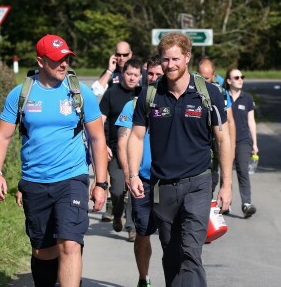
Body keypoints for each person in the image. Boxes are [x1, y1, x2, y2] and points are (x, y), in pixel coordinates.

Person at [0, 34, 108, 287]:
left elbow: (98, 138)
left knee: (70, 244)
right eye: (56, 60)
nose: (63, 64)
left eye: (66, 58)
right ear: (40, 61)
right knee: (43, 251)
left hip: (72, 178)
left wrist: (101, 183)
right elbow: (2, 136)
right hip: (35, 181)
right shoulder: (21, 94)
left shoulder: (79, 92)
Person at [127, 32, 232, 286]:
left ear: (187, 57)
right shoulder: (149, 96)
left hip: (197, 183)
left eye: (175, 59)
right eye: (165, 60)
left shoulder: (208, 94)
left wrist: (227, 184)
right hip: (161, 187)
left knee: (190, 251)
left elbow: (223, 139)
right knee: (171, 254)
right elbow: (136, 137)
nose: (170, 65)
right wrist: (132, 175)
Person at [115, 54, 163, 287]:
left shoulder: (174, 102)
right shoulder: (133, 104)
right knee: (142, 233)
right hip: (142, 179)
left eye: (158, 75)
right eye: (150, 74)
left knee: (172, 235)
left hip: (169, 180)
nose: (152, 78)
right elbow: (123, 140)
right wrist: (128, 173)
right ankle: (143, 278)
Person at [99, 59, 143, 242]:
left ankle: (132, 227)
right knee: (117, 189)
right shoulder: (111, 93)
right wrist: (103, 145)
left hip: (137, 149)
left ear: (141, 76)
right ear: (122, 73)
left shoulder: (143, 94)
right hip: (115, 149)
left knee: (135, 188)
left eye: (136, 74)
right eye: (129, 73)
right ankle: (117, 213)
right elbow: (100, 121)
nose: (132, 78)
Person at [198, 57, 236, 197]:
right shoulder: (189, 90)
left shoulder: (220, 93)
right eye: (201, 77)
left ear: (214, 76)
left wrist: (232, 146)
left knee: (212, 179)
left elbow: (230, 121)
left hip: (215, 141)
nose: (203, 82)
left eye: (207, 78)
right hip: (196, 143)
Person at [223, 68, 258, 218]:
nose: (240, 80)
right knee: (226, 172)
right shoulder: (223, 96)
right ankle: (226, 203)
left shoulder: (247, 98)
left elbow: (251, 121)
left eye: (241, 77)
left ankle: (246, 204)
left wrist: (255, 144)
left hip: (243, 140)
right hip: (226, 140)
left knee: (243, 171)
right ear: (229, 81)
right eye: (236, 77)